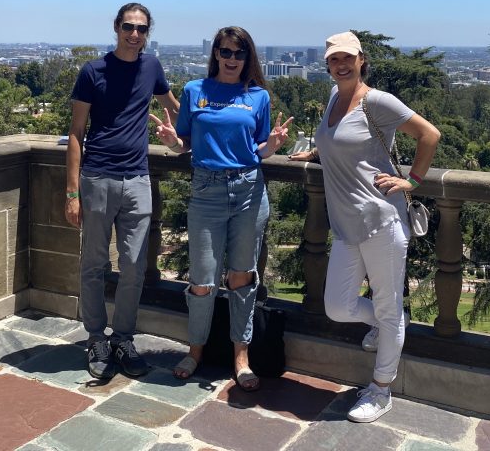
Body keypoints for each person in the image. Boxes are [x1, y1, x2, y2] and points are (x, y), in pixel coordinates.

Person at [289, 31, 440, 423]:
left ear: (361, 60)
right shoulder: (334, 99)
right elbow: (336, 142)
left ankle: (381, 388)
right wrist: (314, 151)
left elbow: (429, 135)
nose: (341, 65)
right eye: (334, 60)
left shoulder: (376, 101)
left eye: (347, 59)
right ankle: (387, 325)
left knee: (388, 308)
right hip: (347, 225)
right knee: (338, 307)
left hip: (381, 220)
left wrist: (414, 181)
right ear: (327, 65)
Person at [151, 26, 292, 391]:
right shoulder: (194, 91)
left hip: (248, 190)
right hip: (206, 190)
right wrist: (172, 141)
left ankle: (240, 357)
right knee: (202, 280)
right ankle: (195, 350)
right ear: (215, 54)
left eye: (239, 53)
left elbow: (258, 148)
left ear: (248, 59)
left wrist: (273, 145)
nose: (231, 59)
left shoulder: (258, 96)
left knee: (242, 276)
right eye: (225, 52)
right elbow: (184, 144)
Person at [66, 3, 180, 380]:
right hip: (97, 177)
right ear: (116, 28)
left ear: (148, 33)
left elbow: (175, 110)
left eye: (142, 29)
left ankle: (123, 339)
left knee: (134, 267)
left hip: (138, 179)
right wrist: (72, 192)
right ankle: (97, 338)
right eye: (129, 27)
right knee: (94, 264)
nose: (135, 34)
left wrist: (212, 127)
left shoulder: (152, 67)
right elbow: (76, 133)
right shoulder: (92, 72)